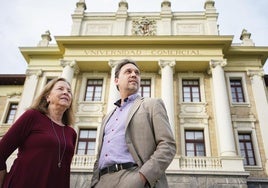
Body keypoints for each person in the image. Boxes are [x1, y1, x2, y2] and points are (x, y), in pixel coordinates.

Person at [91, 59, 176, 188]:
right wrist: (94, 183)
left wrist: (143, 178)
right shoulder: (107, 117)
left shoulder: (152, 104)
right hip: (102, 181)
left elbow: (168, 145)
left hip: (133, 178)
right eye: (128, 71)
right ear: (116, 80)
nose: (133, 74)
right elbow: (100, 155)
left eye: (137, 72)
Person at [0, 77, 77, 188]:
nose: (66, 92)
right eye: (60, 89)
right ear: (48, 97)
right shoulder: (32, 116)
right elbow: (1, 151)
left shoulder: (71, 133)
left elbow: (65, 171)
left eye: (69, 91)